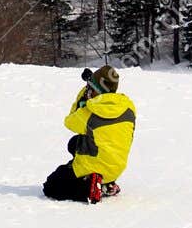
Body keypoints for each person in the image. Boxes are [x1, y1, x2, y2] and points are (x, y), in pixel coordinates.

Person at [43, 65, 137, 204]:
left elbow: (69, 121)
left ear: (96, 90)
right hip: (116, 167)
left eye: (91, 88)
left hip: (96, 166)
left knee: (52, 186)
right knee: (74, 143)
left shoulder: (89, 113)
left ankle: (89, 187)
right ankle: (107, 184)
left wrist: (84, 93)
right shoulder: (129, 108)